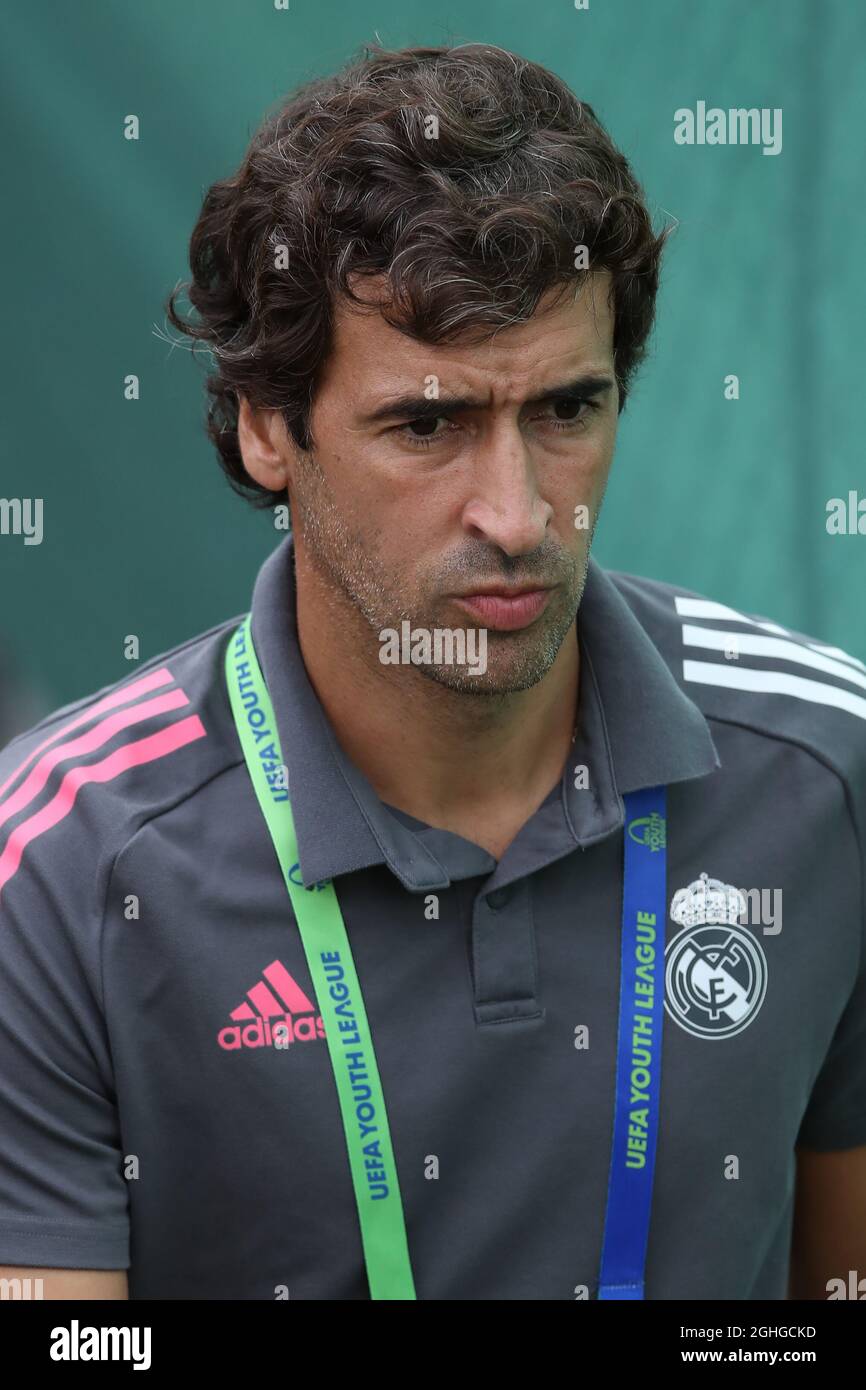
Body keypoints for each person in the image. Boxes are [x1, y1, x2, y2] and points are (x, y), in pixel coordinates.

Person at [0, 42, 863, 1302]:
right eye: (427, 423)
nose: (516, 515)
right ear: (263, 425)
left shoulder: (823, 770)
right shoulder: (60, 869)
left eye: (565, 410)